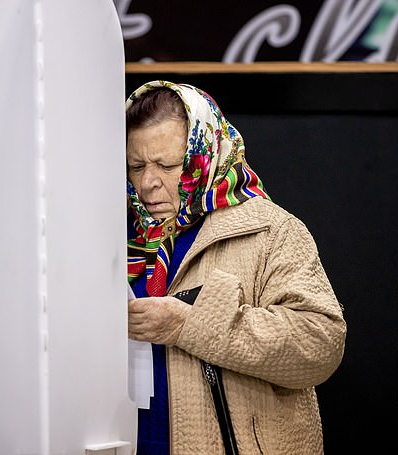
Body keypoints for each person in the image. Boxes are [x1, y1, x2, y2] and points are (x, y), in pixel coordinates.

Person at [126, 80, 346, 454]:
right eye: (135, 165)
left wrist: (188, 325)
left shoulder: (271, 230)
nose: (148, 183)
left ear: (205, 155)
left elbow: (320, 344)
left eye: (168, 165)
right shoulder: (108, 238)